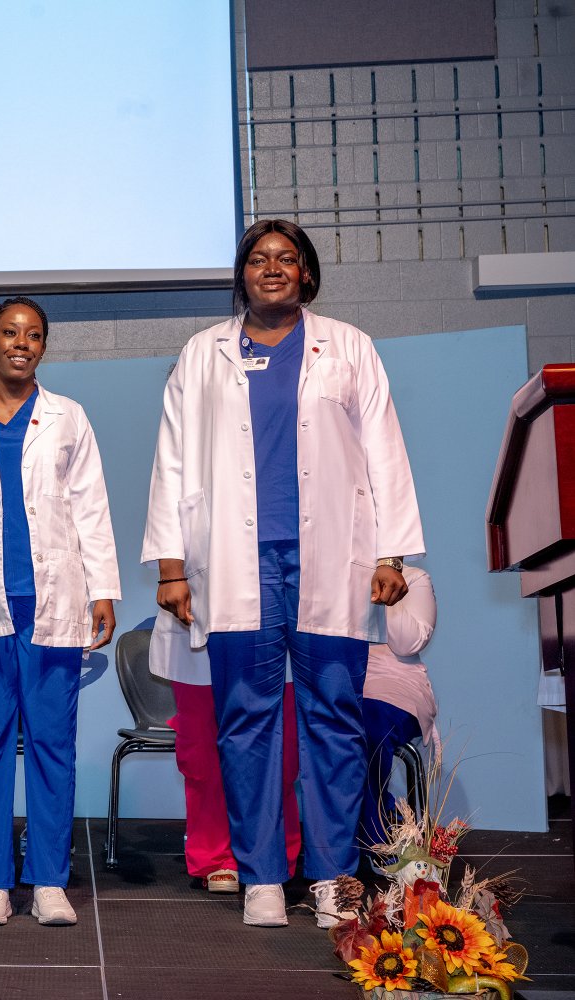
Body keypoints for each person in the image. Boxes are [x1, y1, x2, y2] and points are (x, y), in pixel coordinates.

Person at [142, 219, 423, 929]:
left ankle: (332, 879)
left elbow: (385, 450)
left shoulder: (349, 347)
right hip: (234, 563)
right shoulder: (202, 354)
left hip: (332, 559)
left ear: (307, 275)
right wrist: (170, 565)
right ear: (241, 274)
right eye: (259, 259)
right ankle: (262, 876)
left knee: (333, 717)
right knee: (245, 721)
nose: (272, 269)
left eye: (287, 259)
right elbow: (172, 458)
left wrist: (392, 553)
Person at [0, 295, 120, 927]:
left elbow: (90, 506)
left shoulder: (68, 417)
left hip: (52, 603)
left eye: (33, 335)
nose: (21, 343)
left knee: (52, 743)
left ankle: (50, 881)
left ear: (42, 347)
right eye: (9, 332)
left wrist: (103, 589)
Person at [148, 612, 302, 893]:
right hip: (197, 628)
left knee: (280, 754)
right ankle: (217, 856)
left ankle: (273, 853)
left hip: (276, 628)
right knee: (203, 753)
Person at [360, 566, 438, 847]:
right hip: (338, 676)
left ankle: (376, 836)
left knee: (369, 719)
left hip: (395, 681)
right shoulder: (330, 569)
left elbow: (407, 644)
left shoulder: (415, 578)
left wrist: (386, 585)